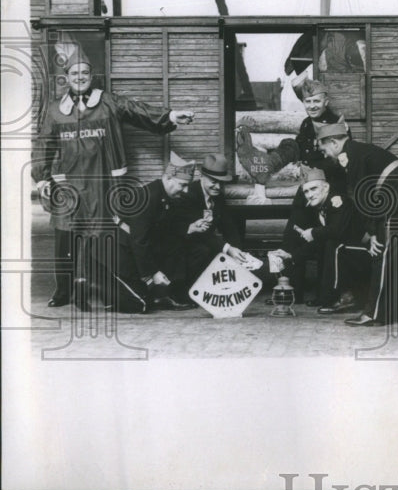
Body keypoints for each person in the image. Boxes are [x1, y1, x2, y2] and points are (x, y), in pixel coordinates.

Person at [32, 49, 194, 310]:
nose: (80, 77)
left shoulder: (108, 102)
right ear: (67, 77)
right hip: (68, 185)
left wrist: (170, 116)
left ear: (92, 76)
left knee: (102, 239)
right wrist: (41, 179)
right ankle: (63, 291)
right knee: (65, 238)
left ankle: (103, 289)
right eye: (74, 73)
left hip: (102, 184)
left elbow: (137, 110)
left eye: (85, 72)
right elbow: (43, 145)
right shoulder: (54, 110)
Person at [315, 122, 398, 327]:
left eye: (324, 150)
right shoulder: (361, 150)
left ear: (333, 142)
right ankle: (396, 312)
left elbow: (364, 198)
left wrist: (373, 233)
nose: (325, 155)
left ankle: (373, 314)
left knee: (382, 255)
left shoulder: (352, 156)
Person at [120, 152, 207, 311]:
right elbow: (139, 240)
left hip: (141, 246)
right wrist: (152, 273)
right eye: (182, 185)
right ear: (167, 178)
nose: (186, 191)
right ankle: (159, 294)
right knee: (141, 304)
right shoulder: (148, 197)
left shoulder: (168, 195)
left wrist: (189, 227)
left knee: (182, 244)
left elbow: (166, 227)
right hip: (122, 251)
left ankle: (171, 293)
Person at [276, 166, 367, 312]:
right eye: (306, 191)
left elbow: (337, 231)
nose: (309, 195)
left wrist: (313, 232)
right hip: (350, 253)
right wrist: (292, 255)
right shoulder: (321, 207)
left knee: (334, 245)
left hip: (365, 253)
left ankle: (343, 298)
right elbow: (318, 242)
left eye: (313, 189)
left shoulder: (337, 201)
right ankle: (326, 296)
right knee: (326, 245)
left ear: (326, 187)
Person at [175, 153, 251, 271]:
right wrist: (228, 249)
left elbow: (228, 226)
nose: (218, 187)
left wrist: (238, 252)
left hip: (206, 243)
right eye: (214, 182)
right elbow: (200, 234)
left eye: (222, 183)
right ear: (202, 177)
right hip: (184, 248)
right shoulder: (189, 195)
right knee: (205, 252)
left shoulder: (217, 195)